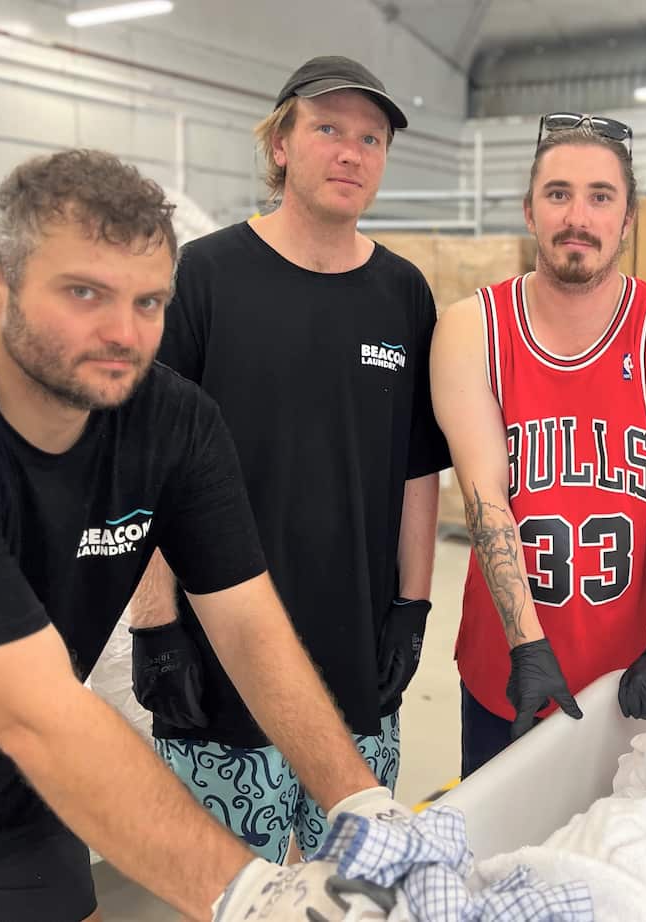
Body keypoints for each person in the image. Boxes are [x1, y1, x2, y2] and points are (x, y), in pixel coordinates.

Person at [0, 149, 407, 921]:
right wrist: (254, 894)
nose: (123, 334)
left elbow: (250, 626)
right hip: (18, 729)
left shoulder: (171, 421)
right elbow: (29, 710)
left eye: (150, 302)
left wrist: (359, 800)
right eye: (85, 292)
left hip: (13, 799)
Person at [126, 55, 450, 862]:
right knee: (226, 894)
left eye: (371, 139)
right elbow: (145, 463)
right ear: (280, 145)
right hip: (218, 666)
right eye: (329, 129)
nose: (351, 152)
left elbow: (418, 469)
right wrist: (157, 624)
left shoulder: (403, 293)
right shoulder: (202, 277)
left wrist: (413, 609)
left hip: (355, 666)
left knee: (354, 892)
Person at [431, 113, 646, 775]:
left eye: (600, 196)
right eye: (558, 194)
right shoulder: (472, 328)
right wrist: (525, 646)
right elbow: (484, 497)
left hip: (629, 667)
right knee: (499, 860)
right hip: (504, 662)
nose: (577, 216)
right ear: (529, 211)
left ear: (628, 219)